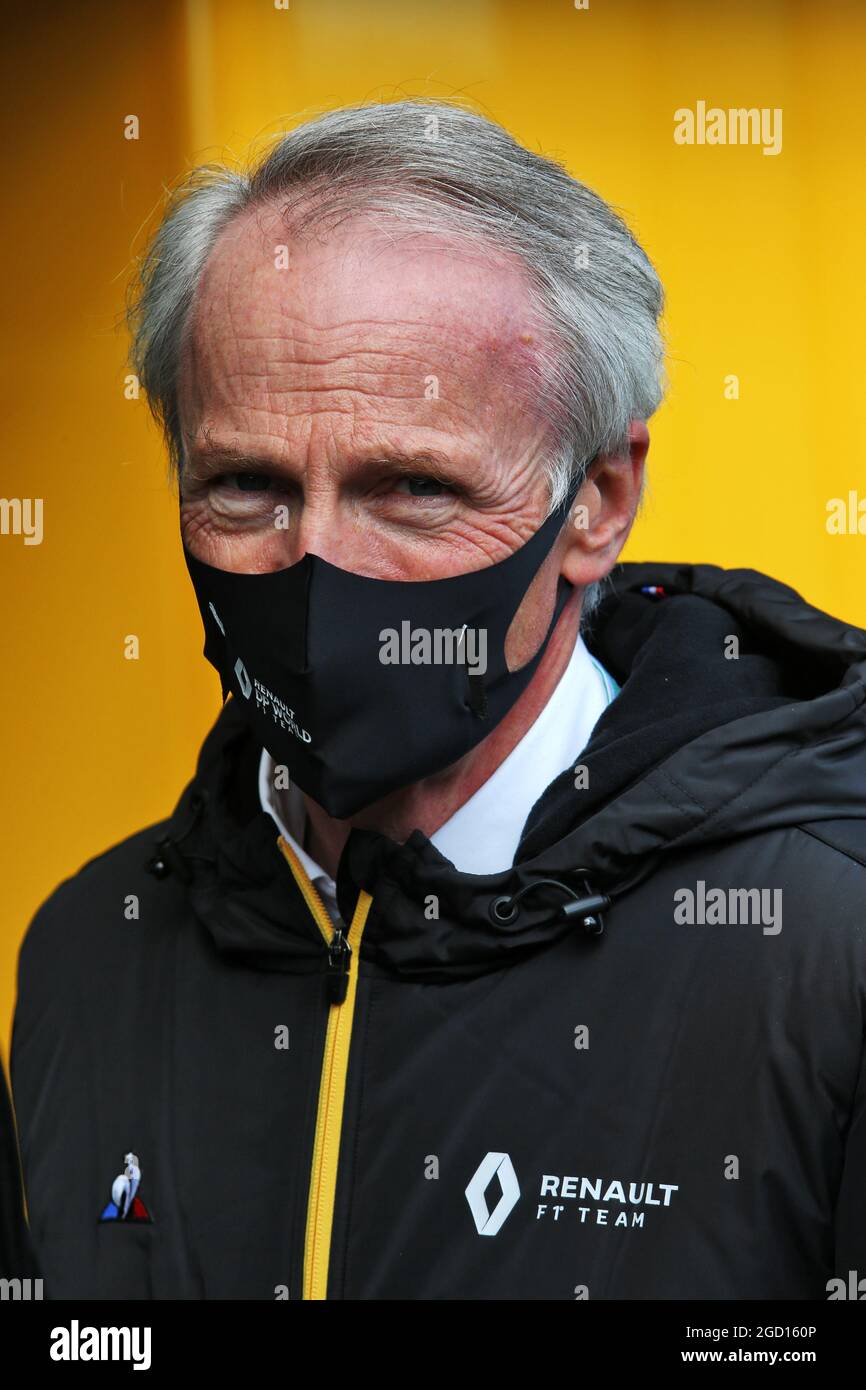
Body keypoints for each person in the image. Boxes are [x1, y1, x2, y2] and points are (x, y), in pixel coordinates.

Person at [11, 100, 866, 1300]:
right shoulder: (88, 951)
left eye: (410, 487)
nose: (318, 566)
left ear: (599, 500)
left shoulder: (824, 947)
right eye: (244, 485)